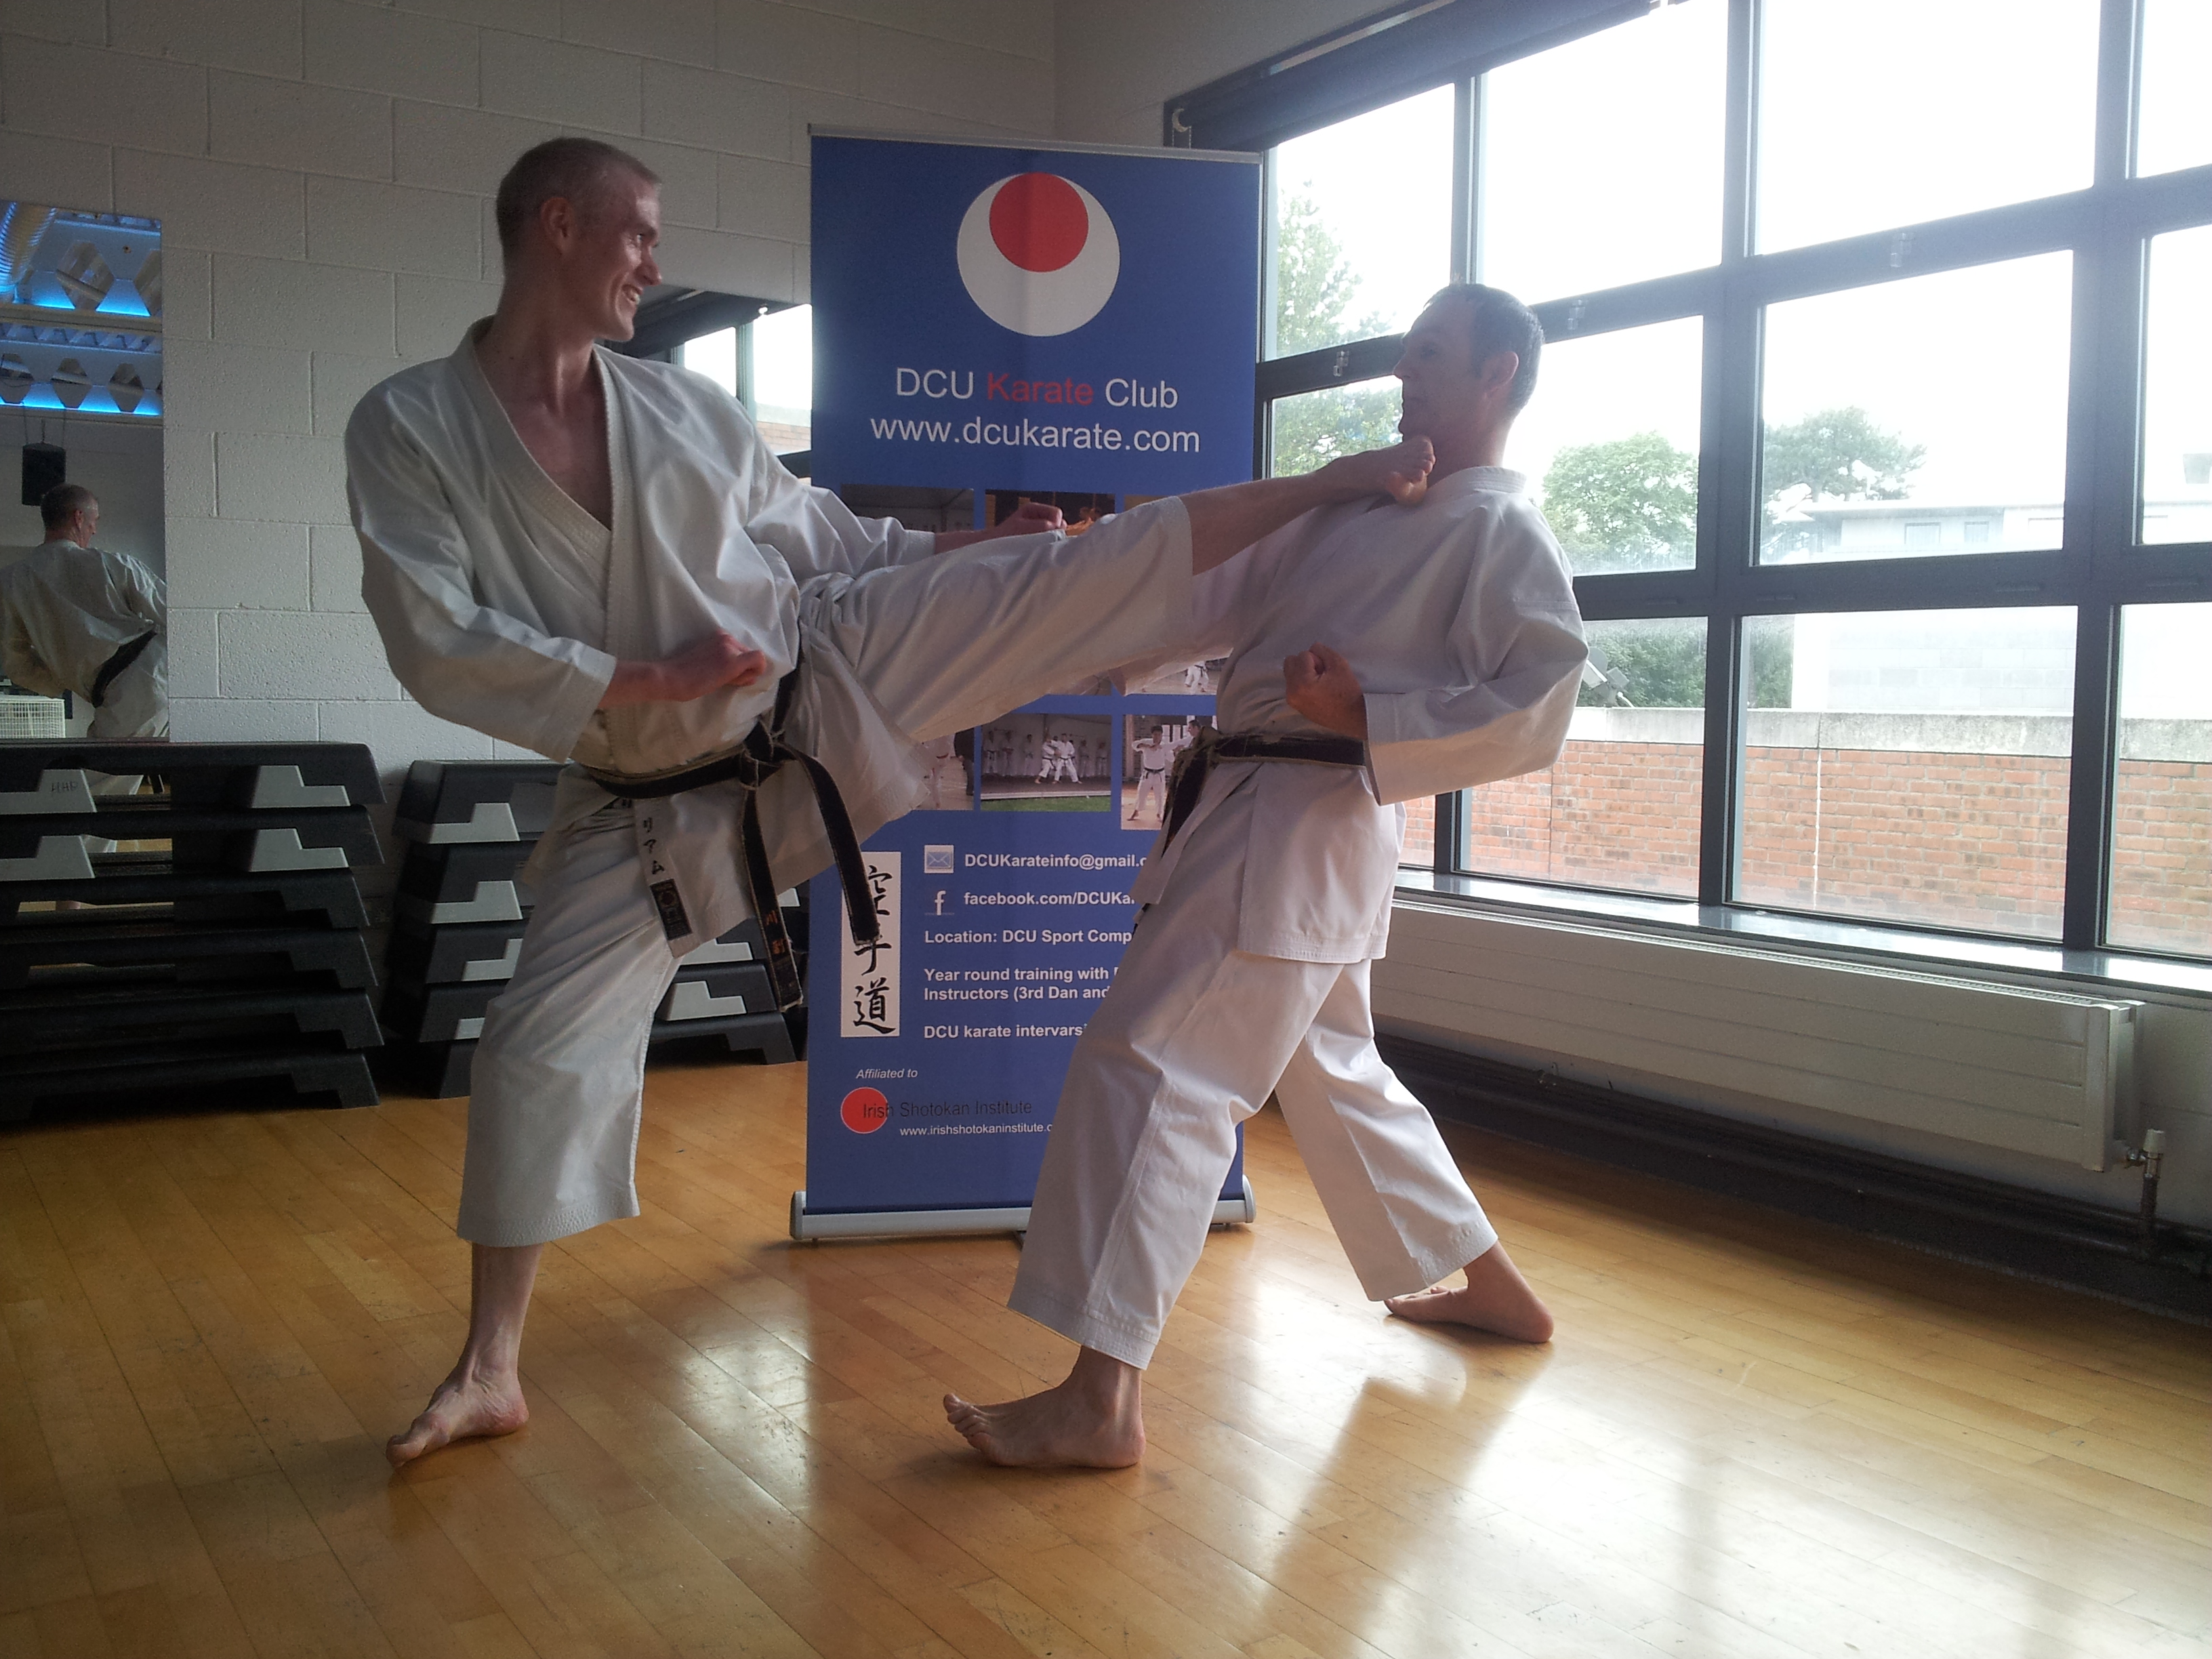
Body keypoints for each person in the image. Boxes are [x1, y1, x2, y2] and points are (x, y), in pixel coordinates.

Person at [346, 136, 1434, 1469]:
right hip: (643, 800)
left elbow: (833, 541)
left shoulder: (677, 409)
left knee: (1075, 572)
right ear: (557, 224)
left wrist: (979, 547)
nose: (654, 262)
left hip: (821, 677)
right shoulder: (410, 426)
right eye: (638, 233)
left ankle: (1319, 493)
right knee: (530, 1047)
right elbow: (434, 633)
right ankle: (490, 1368)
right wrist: (646, 678)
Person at [945, 283, 1588, 1469]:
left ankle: (1101, 1397)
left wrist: (1364, 713)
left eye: (1430, 354)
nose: (1404, 374)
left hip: (1297, 823)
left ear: (1497, 374)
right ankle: (1494, 1287)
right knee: (1333, 1070)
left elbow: (1539, 704)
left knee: (1152, 1067)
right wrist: (1059, 588)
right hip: (1256, 816)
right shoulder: (1354, 510)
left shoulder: (1500, 529)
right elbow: (1197, 606)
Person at [0, 483, 167, 750]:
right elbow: (176, 615)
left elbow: (17, 664)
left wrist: (62, 679)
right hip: (153, 673)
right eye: (94, 520)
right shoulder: (115, 564)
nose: (95, 529)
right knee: (106, 766)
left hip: (138, 683)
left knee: (104, 769)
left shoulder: (11, 582)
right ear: (79, 517)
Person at [1130, 724, 1172, 825]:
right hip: (1147, 773)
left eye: (1159, 735)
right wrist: (1147, 747)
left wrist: (1167, 750)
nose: (1157, 737)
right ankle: (1136, 811)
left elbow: (1172, 759)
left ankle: (1159, 814)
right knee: (1141, 793)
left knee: (1160, 795)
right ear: (1152, 735)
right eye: (1155, 734)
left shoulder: (1165, 746)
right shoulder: (1146, 742)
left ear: (1162, 735)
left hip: (1160, 774)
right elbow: (1134, 745)